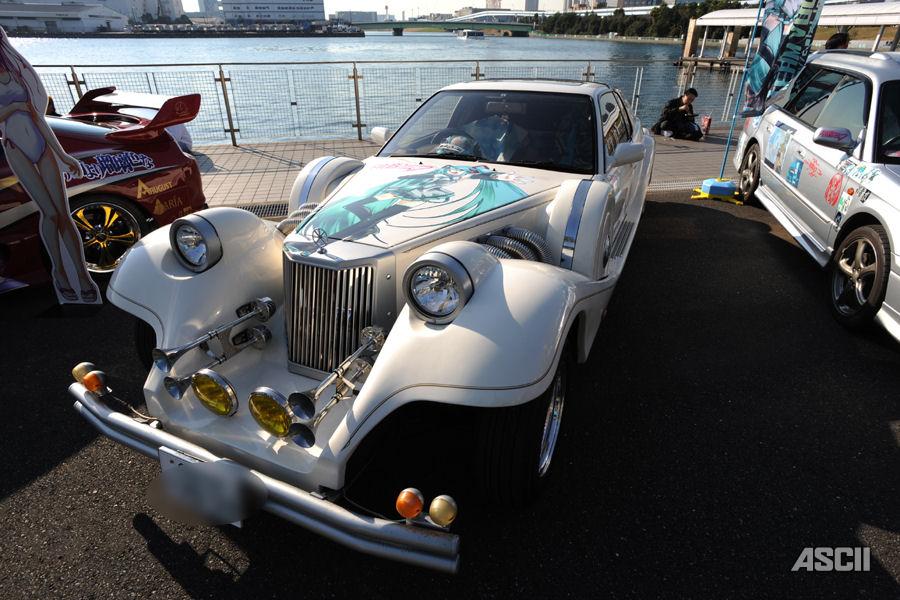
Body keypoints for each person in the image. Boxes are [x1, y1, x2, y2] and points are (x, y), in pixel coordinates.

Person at [0, 27, 100, 303]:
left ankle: (81, 275)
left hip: (41, 142)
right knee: (51, 213)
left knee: (63, 214)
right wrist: (13, 108)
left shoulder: (18, 71)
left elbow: (39, 117)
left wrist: (63, 155)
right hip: (16, 148)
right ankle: (60, 272)